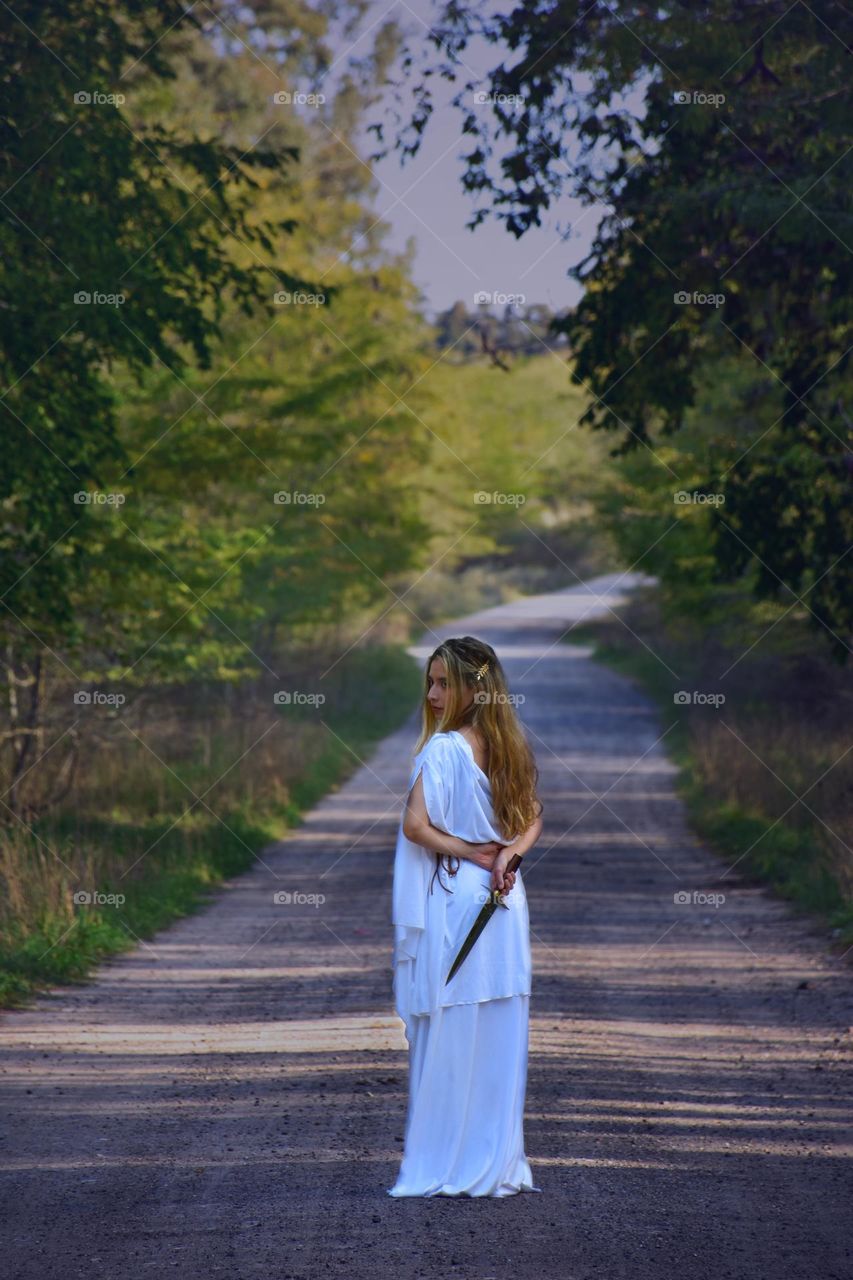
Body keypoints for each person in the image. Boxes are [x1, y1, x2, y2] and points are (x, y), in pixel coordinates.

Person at [387, 635, 544, 1197]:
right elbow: (533, 818)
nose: (432, 695)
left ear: (475, 689)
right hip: (505, 901)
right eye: (430, 682)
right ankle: (494, 1162)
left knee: (452, 1028)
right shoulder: (509, 745)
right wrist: (508, 856)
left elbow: (414, 826)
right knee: (497, 1030)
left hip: (459, 898)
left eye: (444, 683)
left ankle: (447, 1163)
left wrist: (471, 852)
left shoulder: (444, 749)